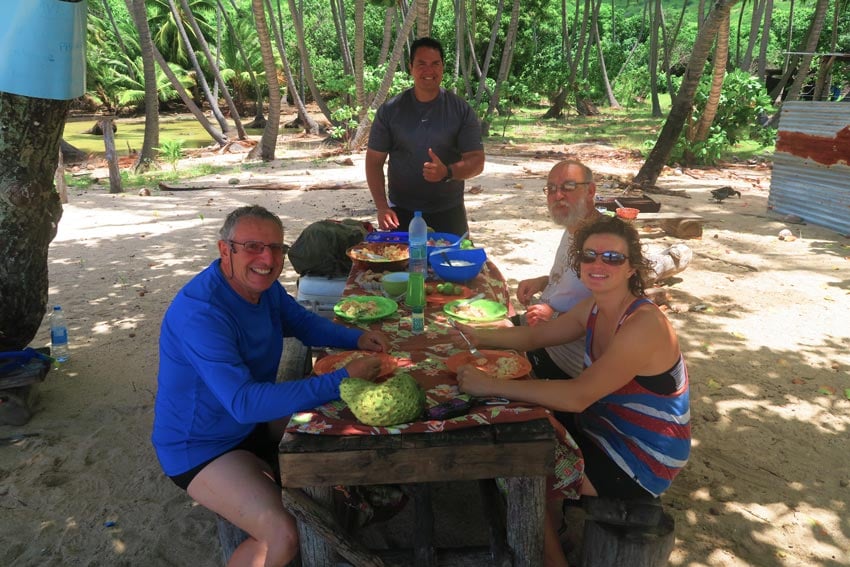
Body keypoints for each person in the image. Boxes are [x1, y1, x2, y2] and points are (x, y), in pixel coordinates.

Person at [151, 205, 390, 567]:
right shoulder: (201, 313)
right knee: (282, 533)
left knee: (343, 429)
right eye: (253, 247)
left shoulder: (263, 289)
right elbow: (244, 403)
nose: (268, 258)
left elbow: (303, 323)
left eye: (277, 248)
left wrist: (356, 339)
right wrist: (342, 378)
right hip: (201, 446)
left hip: (249, 423)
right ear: (224, 250)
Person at [452, 215, 691, 567]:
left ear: (631, 268)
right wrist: (474, 335)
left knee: (517, 467)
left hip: (640, 458)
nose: (598, 264)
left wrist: (488, 384)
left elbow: (578, 395)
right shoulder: (595, 306)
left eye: (612, 258)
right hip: (602, 427)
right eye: (589, 256)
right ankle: (555, 522)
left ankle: (550, 557)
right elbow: (535, 336)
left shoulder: (644, 324)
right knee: (515, 424)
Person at [366, 36, 485, 236]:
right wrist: (381, 207)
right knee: (399, 265)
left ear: (442, 68)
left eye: (435, 64)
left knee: (455, 264)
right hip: (400, 212)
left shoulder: (460, 110)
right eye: (421, 64)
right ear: (411, 67)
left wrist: (446, 172)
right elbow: (374, 161)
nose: (428, 70)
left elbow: (477, 161)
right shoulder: (390, 111)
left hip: (449, 210)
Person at [516, 160, 600, 380]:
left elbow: (615, 307)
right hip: (539, 331)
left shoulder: (603, 241)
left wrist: (557, 315)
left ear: (590, 190)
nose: (558, 195)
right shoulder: (574, 224)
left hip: (565, 360)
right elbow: (578, 280)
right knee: (468, 332)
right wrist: (544, 281)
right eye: (551, 189)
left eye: (568, 187)